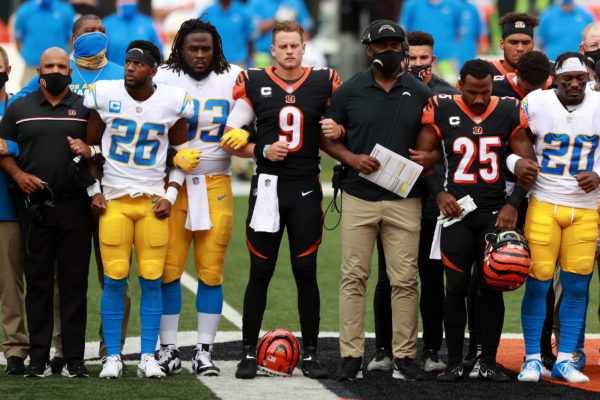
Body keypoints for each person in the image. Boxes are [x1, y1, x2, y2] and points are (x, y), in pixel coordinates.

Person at [12, 14, 130, 371]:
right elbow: (22, 108)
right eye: (88, 33)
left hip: (115, 191)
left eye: (102, 32)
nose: (96, 37)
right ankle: (63, 351)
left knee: (114, 276)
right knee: (63, 280)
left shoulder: (122, 74)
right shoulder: (51, 79)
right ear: (73, 38)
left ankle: (113, 350)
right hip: (71, 197)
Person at [222, 20, 338, 380]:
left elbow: (342, 124)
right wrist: (260, 149)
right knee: (260, 271)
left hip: (305, 187)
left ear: (304, 48)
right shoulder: (254, 81)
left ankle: (313, 354)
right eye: (282, 46)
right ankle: (247, 353)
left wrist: (339, 129)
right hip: (268, 189)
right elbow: (228, 137)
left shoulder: (323, 81)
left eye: (294, 45)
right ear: (272, 50)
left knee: (306, 272)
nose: (289, 51)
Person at [319, 20, 432, 381]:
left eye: (393, 44)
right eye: (381, 45)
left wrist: (429, 157)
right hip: (358, 195)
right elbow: (326, 137)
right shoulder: (348, 90)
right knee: (353, 277)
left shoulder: (419, 90)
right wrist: (351, 158)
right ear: (368, 49)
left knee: (405, 280)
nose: (388, 51)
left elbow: (433, 141)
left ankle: (405, 356)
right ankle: (351, 355)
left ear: (402, 47)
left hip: (405, 199)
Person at [415, 59, 537, 382]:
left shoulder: (509, 108)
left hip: (494, 213)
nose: (480, 99)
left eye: (485, 92)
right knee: (455, 286)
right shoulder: (440, 107)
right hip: (455, 213)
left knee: (492, 287)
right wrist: (438, 195)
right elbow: (423, 159)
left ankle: (487, 361)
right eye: (473, 92)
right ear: (459, 85)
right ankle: (455, 361)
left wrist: (513, 204)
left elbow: (529, 165)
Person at [80, 40, 194, 379]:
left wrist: (170, 197)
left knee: (152, 282)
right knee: (114, 281)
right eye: (128, 62)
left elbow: (183, 156)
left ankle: (147, 356)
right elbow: (90, 150)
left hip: (151, 204)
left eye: (139, 63)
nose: (130, 67)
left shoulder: (172, 101)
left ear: (153, 70)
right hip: (114, 202)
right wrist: (93, 191)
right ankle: (112, 357)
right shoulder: (104, 93)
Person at [152, 18, 241, 377]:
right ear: (181, 49)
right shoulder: (161, 76)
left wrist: (245, 132)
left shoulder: (236, 76)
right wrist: (173, 155)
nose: (200, 55)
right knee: (168, 271)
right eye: (193, 48)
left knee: (211, 272)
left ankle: (204, 351)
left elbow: (256, 115)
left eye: (206, 48)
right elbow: (146, 129)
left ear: (216, 48)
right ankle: (169, 348)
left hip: (216, 181)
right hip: (172, 185)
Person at [366, 29, 458, 375]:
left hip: (434, 201)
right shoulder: (391, 91)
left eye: (424, 58)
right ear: (403, 58)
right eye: (412, 58)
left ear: (433, 59)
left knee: (432, 277)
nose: (418, 64)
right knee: (389, 278)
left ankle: (432, 349)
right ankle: (383, 350)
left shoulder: (450, 97)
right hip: (394, 198)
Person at [0, 47, 93, 378]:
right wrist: (18, 175)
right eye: (48, 66)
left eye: (61, 66)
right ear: (38, 71)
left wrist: (89, 151)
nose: (55, 70)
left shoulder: (85, 107)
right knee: (37, 282)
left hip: (75, 206)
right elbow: (4, 150)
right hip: (34, 207)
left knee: (74, 283)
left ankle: (73, 358)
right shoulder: (18, 107)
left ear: (71, 71)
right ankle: (37, 358)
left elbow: (100, 151)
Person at [518, 52, 600, 384]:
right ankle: (532, 358)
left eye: (581, 78)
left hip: (585, 208)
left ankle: (566, 357)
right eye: (568, 79)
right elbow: (515, 142)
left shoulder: (598, 104)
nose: (575, 84)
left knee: (577, 285)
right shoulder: (535, 102)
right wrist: (516, 166)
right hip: (543, 202)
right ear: (555, 77)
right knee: (537, 284)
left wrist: (598, 173)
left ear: (588, 77)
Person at [0, 46, 28, 376]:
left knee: (18, 285)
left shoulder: (20, 106)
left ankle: (18, 350)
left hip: (14, 207)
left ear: (8, 71)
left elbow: (38, 144)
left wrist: (13, 147)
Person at [13, 0, 75, 87]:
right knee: (27, 98)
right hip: (31, 69)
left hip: (58, 70)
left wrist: (61, 58)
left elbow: (72, 38)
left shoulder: (65, 10)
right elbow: (18, 38)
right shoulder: (25, 10)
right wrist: (29, 56)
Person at [399, 0, 463, 82]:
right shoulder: (412, 4)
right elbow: (403, 31)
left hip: (447, 59)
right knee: (418, 88)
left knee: (450, 89)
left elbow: (459, 33)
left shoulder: (455, 5)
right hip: (419, 60)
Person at [247, 0, 313, 67]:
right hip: (263, 55)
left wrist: (307, 52)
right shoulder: (256, 2)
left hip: (289, 54)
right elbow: (254, 30)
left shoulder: (295, 2)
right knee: (262, 76)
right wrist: (276, 20)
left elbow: (306, 29)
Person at [103, 0, 163, 65]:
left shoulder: (148, 23)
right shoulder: (106, 24)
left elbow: (159, 54)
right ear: (116, 2)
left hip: (143, 74)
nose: (128, 2)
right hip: (114, 74)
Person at [201, 0, 253, 67]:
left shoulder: (244, 11)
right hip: (214, 63)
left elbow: (251, 40)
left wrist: (248, 62)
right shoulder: (207, 14)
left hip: (238, 63)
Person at [491, 13, 539, 78]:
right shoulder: (488, 73)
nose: (520, 48)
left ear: (533, 45)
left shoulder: (546, 73)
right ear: (502, 44)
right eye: (513, 42)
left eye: (526, 43)